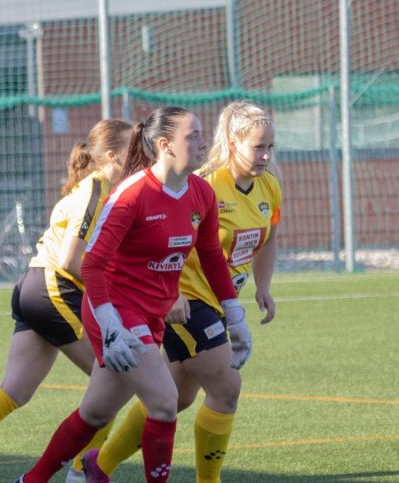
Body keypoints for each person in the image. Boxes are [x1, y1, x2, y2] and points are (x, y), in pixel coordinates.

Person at [15, 107, 244, 483]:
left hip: (152, 314)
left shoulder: (201, 192)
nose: (204, 143)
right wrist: (111, 328)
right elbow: (91, 266)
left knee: (96, 412)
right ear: (165, 145)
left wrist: (235, 314)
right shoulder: (131, 195)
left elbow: (213, 259)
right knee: (165, 401)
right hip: (113, 310)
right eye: (193, 136)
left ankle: (31, 480)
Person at [0, 119, 133, 483]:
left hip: (34, 286)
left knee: (14, 391)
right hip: (54, 288)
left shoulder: (100, 189)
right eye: (134, 147)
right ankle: (81, 472)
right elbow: (71, 260)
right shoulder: (96, 188)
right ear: (112, 155)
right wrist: (113, 294)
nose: (141, 154)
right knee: (114, 382)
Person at [82, 102, 280, 483]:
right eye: (258, 147)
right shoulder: (204, 182)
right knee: (227, 386)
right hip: (187, 303)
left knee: (175, 395)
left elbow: (269, 238)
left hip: (219, 301)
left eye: (271, 147)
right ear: (233, 143)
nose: (266, 156)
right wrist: (172, 295)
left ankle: (98, 465)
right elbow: (168, 243)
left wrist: (263, 286)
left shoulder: (269, 186)